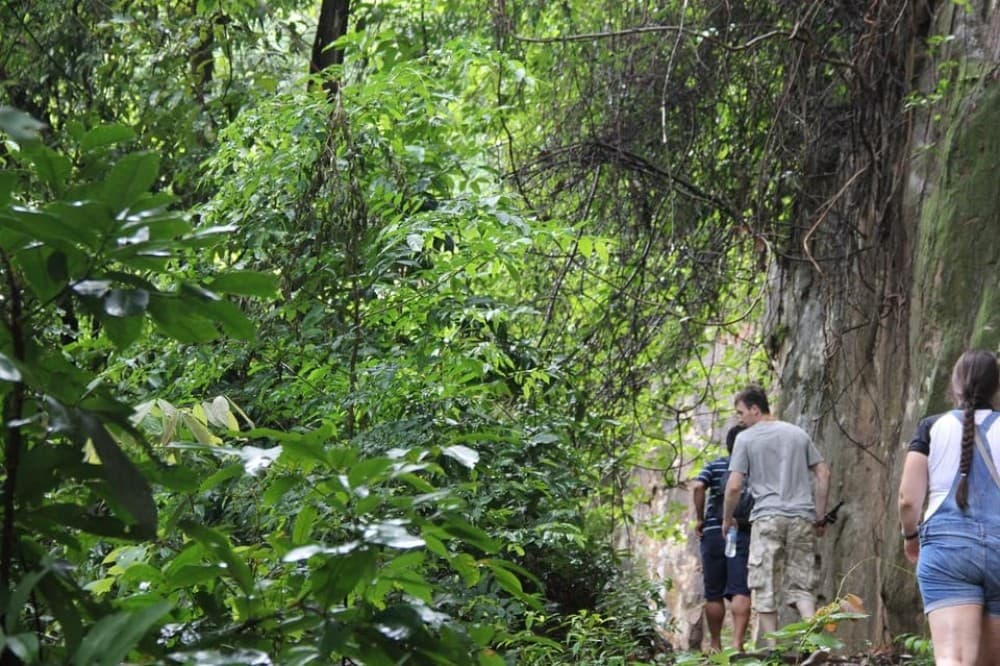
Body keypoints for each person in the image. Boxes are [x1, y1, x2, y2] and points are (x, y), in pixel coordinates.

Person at [898, 349, 1000, 666]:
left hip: (947, 552)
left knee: (953, 658)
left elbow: (908, 499)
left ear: (955, 386)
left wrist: (910, 536)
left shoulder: (931, 427)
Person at [722, 385, 831, 644]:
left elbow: (734, 486)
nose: (740, 419)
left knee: (763, 586)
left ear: (755, 409)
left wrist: (727, 519)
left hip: (767, 517)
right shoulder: (798, 433)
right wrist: (819, 515)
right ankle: (816, 643)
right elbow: (823, 474)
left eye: (741, 412)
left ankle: (774, 651)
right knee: (802, 587)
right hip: (802, 518)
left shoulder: (745, 439)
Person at [691, 425, 752, 651]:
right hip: (743, 532)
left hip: (714, 533)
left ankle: (715, 645)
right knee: (741, 589)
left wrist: (700, 519)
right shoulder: (752, 469)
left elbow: (698, 486)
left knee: (713, 593)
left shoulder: (715, 465)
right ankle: (737, 644)